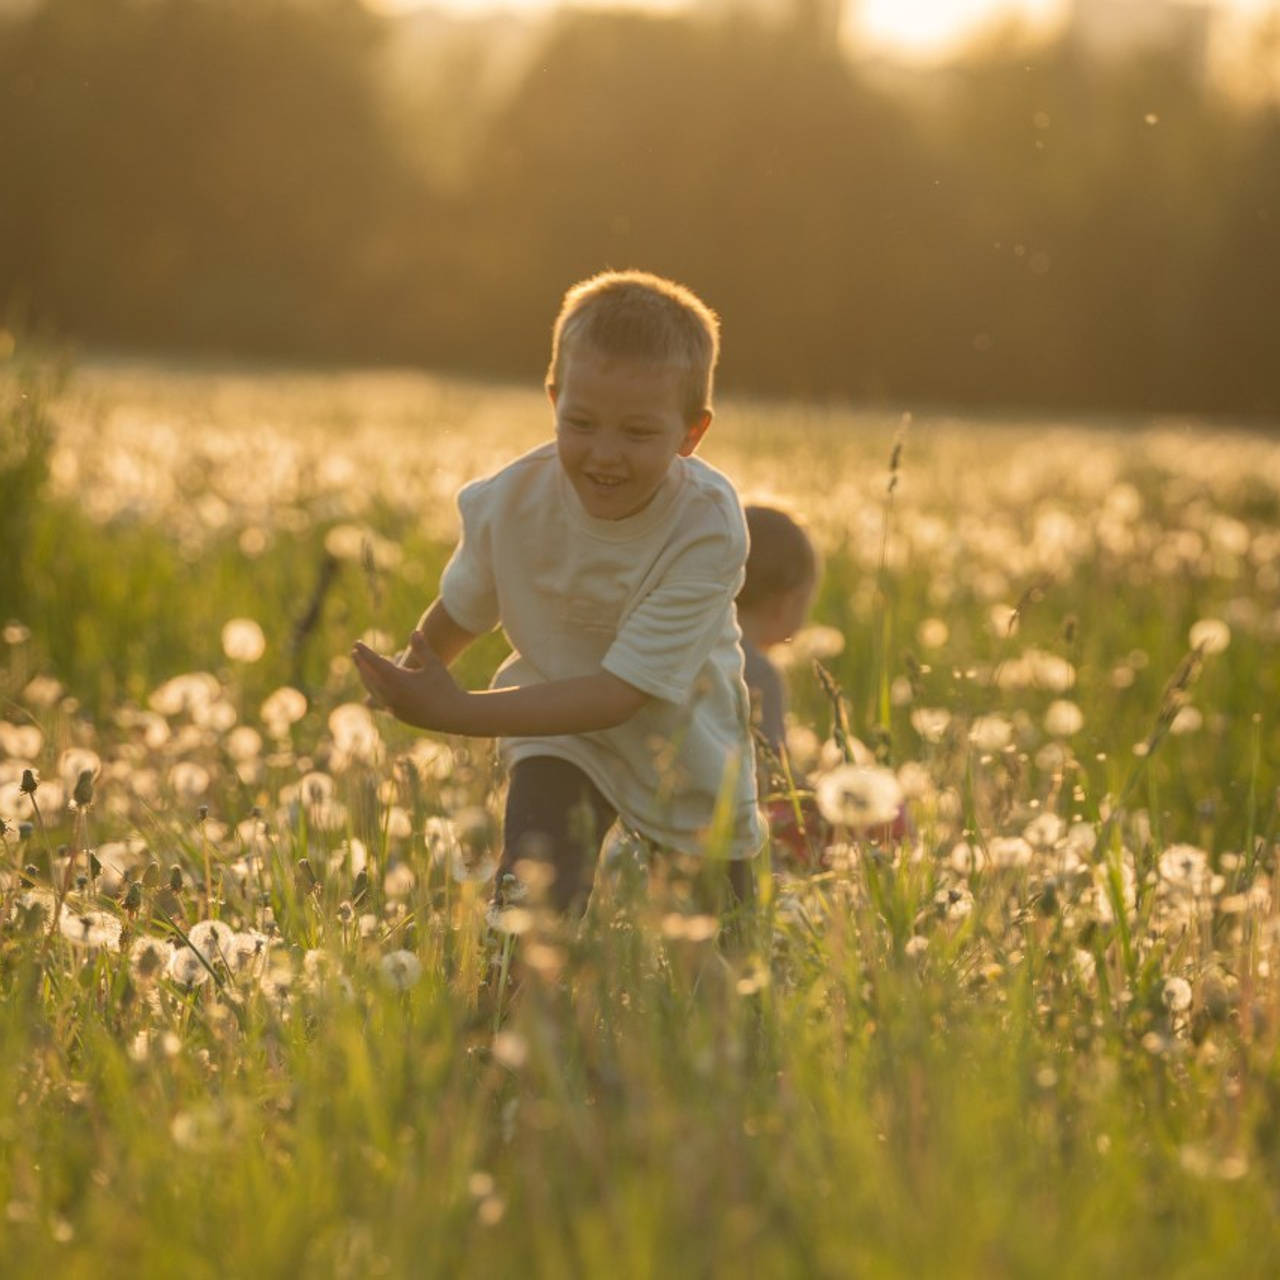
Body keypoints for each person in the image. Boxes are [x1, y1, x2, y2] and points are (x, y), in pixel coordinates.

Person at [352, 269, 761, 916]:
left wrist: (452, 712)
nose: (604, 453)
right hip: (554, 733)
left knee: (724, 956)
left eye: (638, 433)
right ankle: (506, 1009)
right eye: (582, 422)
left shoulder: (706, 527)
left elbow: (619, 694)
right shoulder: (510, 502)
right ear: (552, 400)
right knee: (531, 895)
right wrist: (411, 675)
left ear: (692, 434)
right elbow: (463, 608)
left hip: (684, 746)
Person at [734, 505, 825, 868]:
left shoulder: (694, 647)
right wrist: (825, 801)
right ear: (788, 602)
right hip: (737, 839)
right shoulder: (761, 674)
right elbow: (774, 775)